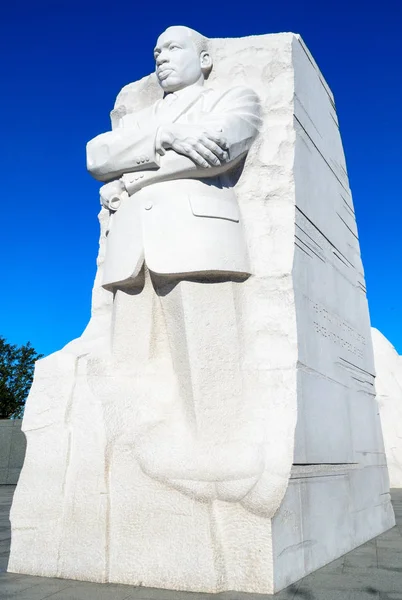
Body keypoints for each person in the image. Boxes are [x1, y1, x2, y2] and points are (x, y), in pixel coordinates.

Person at [86, 26, 264, 504]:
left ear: (205, 59)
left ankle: (221, 465)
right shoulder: (145, 118)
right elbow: (97, 155)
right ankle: (125, 469)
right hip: (131, 253)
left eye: (173, 48)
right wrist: (167, 136)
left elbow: (219, 151)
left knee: (208, 359)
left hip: (196, 239)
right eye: (156, 51)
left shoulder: (235, 97)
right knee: (127, 367)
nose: (161, 57)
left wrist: (131, 180)